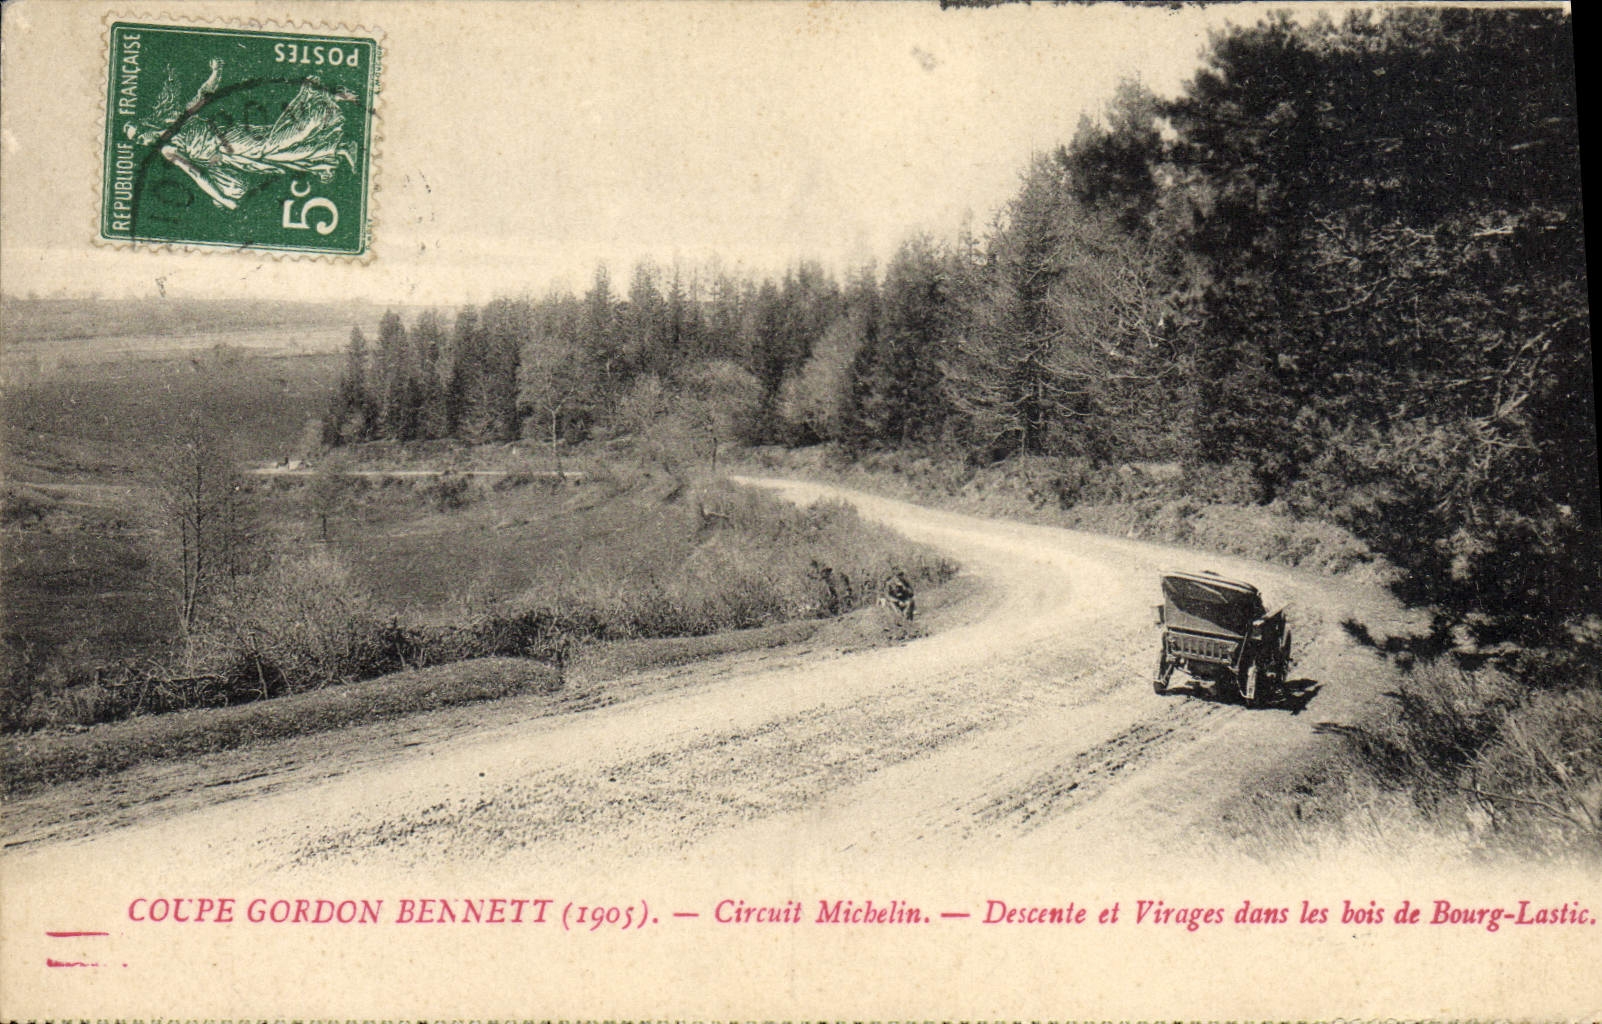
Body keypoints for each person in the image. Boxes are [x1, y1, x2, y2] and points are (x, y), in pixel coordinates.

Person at [130, 59, 360, 210]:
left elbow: (196, 173)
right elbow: (198, 171)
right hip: (229, 155)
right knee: (279, 156)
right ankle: (336, 149)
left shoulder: (172, 136)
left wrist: (224, 200)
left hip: (229, 141)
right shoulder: (167, 146)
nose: (142, 142)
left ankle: (323, 102)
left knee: (277, 144)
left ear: (147, 126)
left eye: (139, 136)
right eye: (137, 141)